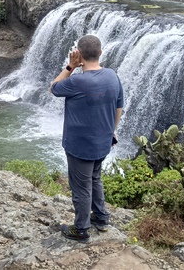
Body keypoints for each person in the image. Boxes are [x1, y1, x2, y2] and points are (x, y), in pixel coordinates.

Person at [49, 35, 124, 242]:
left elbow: (53, 87)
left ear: (79, 55)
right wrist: (112, 131)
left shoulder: (77, 81)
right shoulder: (112, 75)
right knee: (95, 179)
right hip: (103, 142)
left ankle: (81, 229)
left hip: (79, 146)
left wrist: (70, 67)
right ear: (101, 53)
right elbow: (120, 107)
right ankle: (101, 219)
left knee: (81, 187)